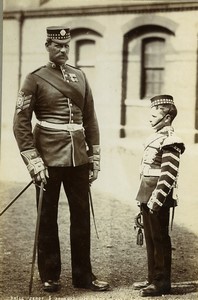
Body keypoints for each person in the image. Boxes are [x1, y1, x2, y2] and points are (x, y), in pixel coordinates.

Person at [13, 26, 109, 293]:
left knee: (81, 218)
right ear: (47, 46)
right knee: (47, 217)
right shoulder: (34, 79)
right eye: (58, 46)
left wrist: (95, 157)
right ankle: (50, 275)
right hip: (47, 159)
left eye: (67, 46)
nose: (63, 50)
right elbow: (20, 123)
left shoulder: (80, 76)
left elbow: (90, 119)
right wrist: (33, 160)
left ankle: (83, 276)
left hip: (78, 157)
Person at [133, 95, 185, 297]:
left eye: (154, 115)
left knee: (160, 238)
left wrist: (157, 198)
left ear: (167, 118)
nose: (149, 119)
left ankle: (162, 283)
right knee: (151, 238)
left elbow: (169, 173)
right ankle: (152, 278)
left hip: (158, 196)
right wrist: (143, 199)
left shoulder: (171, 139)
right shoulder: (155, 137)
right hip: (147, 193)